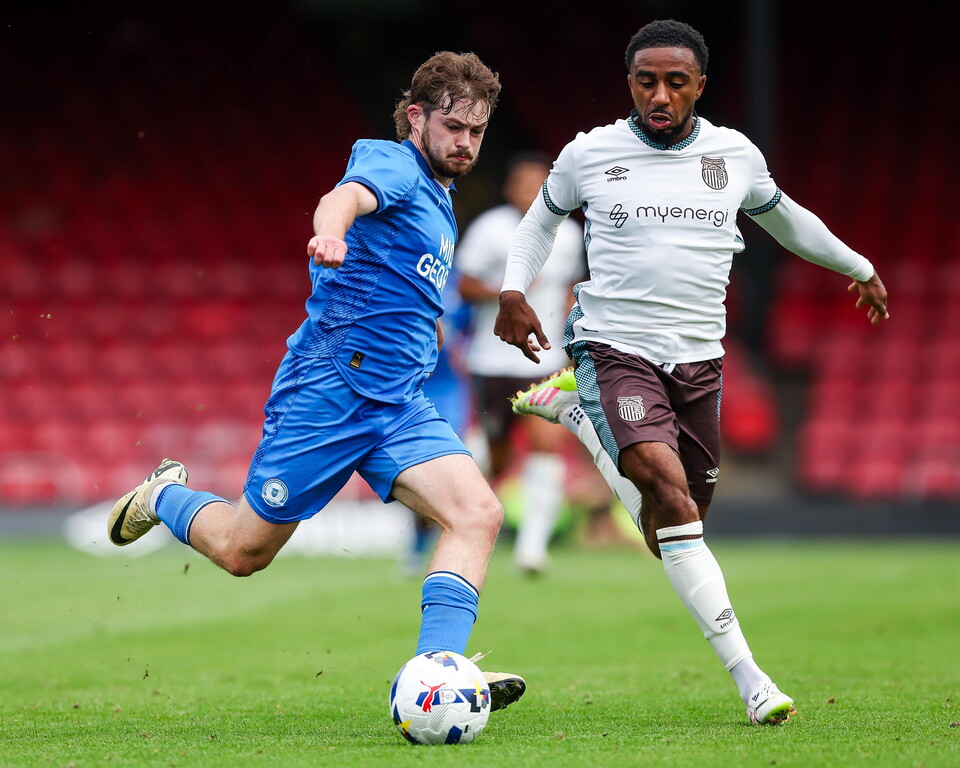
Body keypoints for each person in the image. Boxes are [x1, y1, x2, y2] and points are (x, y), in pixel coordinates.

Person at [494, 19, 889, 725]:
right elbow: (538, 224)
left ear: (699, 86)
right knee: (669, 496)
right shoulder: (590, 153)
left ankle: (578, 416)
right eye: (647, 79)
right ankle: (752, 679)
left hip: (699, 359)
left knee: (672, 527)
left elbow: (787, 219)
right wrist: (513, 290)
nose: (661, 93)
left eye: (676, 81)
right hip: (615, 345)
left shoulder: (733, 155)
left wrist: (856, 265)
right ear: (631, 84)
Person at [108, 51, 524, 712]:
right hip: (328, 393)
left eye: (477, 131)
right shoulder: (395, 164)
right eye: (454, 126)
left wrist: (429, 327)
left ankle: (435, 674)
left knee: (478, 513)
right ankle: (167, 496)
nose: (467, 143)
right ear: (416, 117)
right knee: (244, 552)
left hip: (397, 405)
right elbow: (343, 200)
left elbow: (402, 281)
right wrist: (329, 235)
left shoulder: (443, 201)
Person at [456, 152, 587, 573]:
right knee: (492, 458)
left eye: (540, 184)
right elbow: (465, 284)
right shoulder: (490, 230)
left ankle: (533, 549)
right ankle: (447, 518)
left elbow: (571, 289)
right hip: (493, 360)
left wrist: (572, 335)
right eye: (524, 184)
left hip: (546, 360)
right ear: (510, 189)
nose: (532, 193)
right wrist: (508, 293)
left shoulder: (568, 234)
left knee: (545, 448)